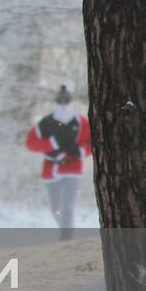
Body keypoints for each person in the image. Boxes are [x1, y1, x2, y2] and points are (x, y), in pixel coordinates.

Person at [25, 83, 92, 240]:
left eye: (66, 100)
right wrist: (51, 143)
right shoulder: (46, 123)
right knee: (55, 207)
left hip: (73, 168)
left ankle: (66, 235)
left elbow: (92, 142)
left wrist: (81, 151)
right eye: (60, 100)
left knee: (68, 204)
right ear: (56, 101)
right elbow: (30, 143)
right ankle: (65, 227)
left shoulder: (82, 122)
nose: (63, 103)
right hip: (51, 169)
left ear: (71, 101)